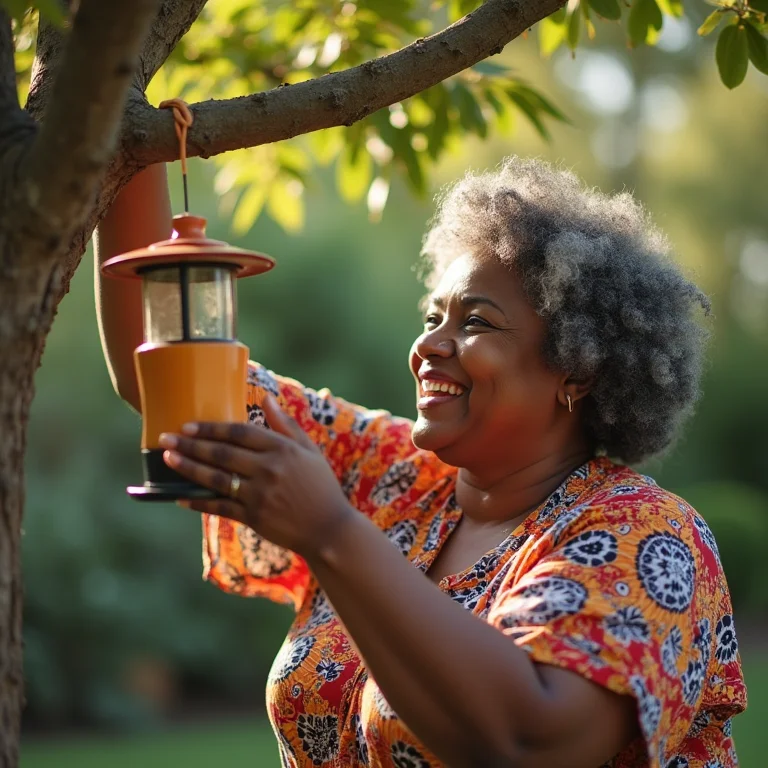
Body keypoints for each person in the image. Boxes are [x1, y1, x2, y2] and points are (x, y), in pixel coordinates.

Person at [95, 157, 747, 768]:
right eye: (434, 316)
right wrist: (122, 125)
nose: (429, 344)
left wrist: (331, 532)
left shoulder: (648, 535)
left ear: (576, 371)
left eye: (476, 322)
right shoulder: (390, 476)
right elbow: (167, 373)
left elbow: (528, 739)